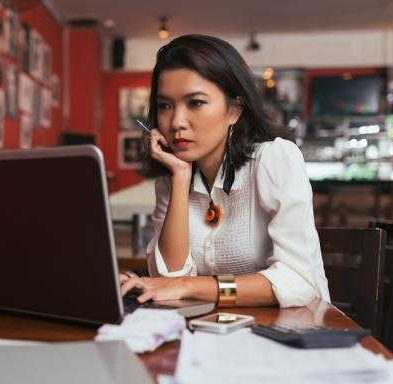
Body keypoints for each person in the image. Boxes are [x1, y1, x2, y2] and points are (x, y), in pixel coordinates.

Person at [120, 35, 330, 308]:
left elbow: (300, 282)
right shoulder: (172, 178)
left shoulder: (274, 158)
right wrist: (181, 177)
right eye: (165, 106)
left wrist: (190, 286)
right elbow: (168, 278)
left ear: (234, 110)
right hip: (216, 329)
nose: (176, 122)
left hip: (294, 332)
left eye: (195, 102)